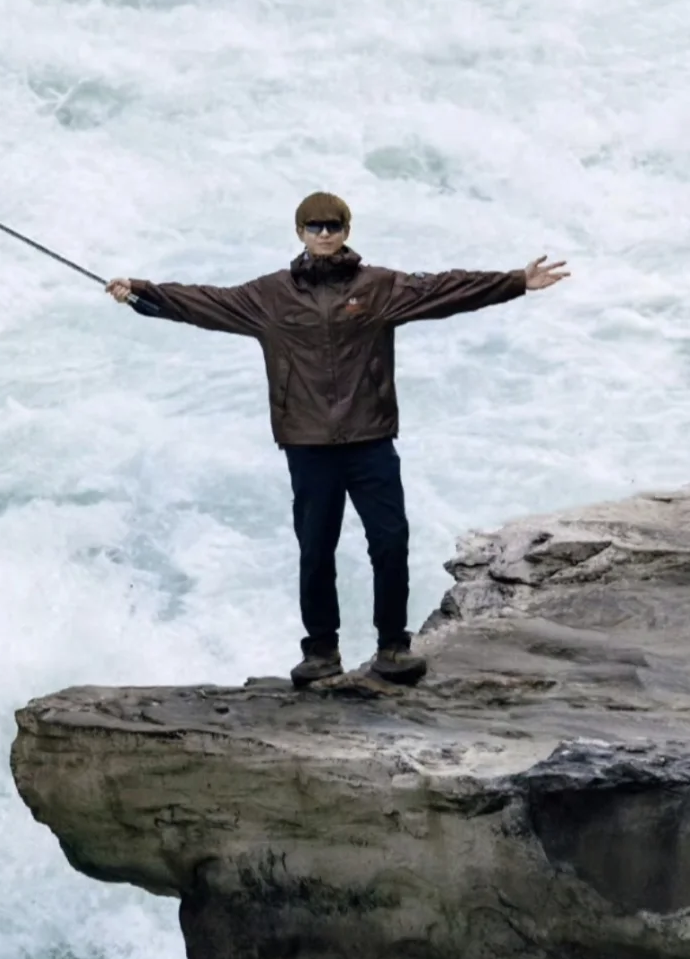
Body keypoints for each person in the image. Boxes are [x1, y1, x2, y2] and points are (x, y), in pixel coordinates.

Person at [107, 193, 569, 687]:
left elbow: (446, 289)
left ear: (347, 230)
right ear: (300, 232)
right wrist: (140, 292)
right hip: (308, 445)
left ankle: (393, 647)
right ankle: (321, 652)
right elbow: (202, 302)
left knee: (390, 542)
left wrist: (517, 282)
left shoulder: (379, 287)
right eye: (314, 226)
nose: (324, 234)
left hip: (370, 439)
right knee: (316, 549)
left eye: (332, 226)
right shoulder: (268, 297)